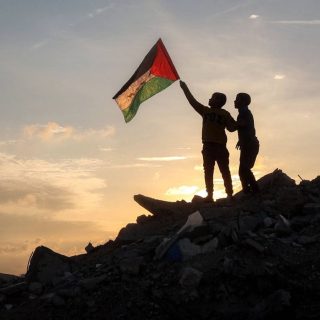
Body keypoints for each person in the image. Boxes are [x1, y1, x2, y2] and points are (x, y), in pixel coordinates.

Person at [180, 80, 237, 202]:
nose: (210, 99)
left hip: (218, 146)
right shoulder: (208, 111)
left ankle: (228, 194)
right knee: (211, 171)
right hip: (210, 146)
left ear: (218, 101)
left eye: (212, 98)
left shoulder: (219, 113)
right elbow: (192, 102)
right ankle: (212, 195)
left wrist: (239, 123)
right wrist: (185, 88)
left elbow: (232, 128)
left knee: (221, 170)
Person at [234, 93, 260, 195]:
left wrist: (229, 122)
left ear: (244, 102)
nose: (235, 101)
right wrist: (240, 141)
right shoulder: (242, 113)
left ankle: (255, 191)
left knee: (244, 169)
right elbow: (246, 129)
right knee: (242, 171)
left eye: (237, 99)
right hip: (247, 145)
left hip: (250, 145)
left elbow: (243, 125)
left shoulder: (245, 114)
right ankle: (248, 192)